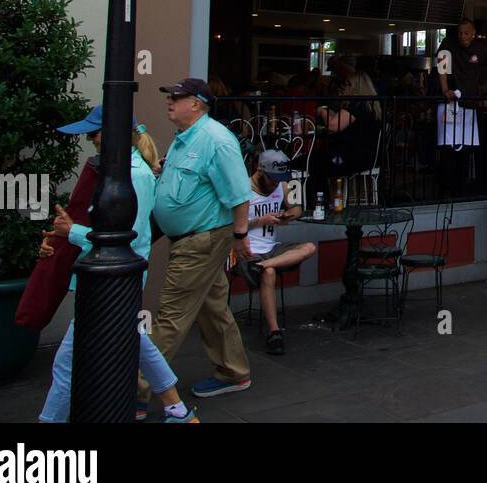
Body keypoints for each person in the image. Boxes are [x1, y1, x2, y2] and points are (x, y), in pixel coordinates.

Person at [39, 109, 197, 423]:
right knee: (137, 340)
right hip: (114, 278)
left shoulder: (132, 176)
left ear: (113, 135)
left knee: (67, 361)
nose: (90, 139)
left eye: (94, 132)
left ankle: (50, 421)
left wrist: (70, 232)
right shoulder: (123, 172)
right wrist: (66, 233)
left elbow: (126, 235)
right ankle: (177, 409)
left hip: (112, 281)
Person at [144, 78, 253, 407]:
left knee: (171, 316)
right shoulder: (185, 138)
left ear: (197, 104)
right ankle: (234, 371)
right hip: (189, 239)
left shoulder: (216, 140)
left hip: (201, 241)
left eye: (177, 97)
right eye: (170, 95)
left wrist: (240, 235)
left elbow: (238, 193)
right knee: (212, 307)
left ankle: (134, 389)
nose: (169, 101)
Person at [234, 151, 317, 356]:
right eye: (272, 179)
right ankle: (274, 332)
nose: (274, 184)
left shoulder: (282, 185)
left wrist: (288, 215)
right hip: (248, 251)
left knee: (309, 247)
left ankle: (262, 266)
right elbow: (231, 227)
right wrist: (260, 221)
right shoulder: (243, 190)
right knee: (269, 274)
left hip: (272, 249)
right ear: (260, 170)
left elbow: (297, 208)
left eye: (278, 180)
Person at [435, 19, 487, 195]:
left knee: (466, 150)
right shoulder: (448, 45)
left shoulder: (480, 50)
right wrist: (446, 90)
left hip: (469, 105)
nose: (463, 36)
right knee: (447, 149)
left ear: (473, 34)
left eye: (466, 33)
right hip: (450, 104)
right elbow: (442, 68)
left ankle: (462, 189)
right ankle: (446, 190)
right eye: (460, 32)